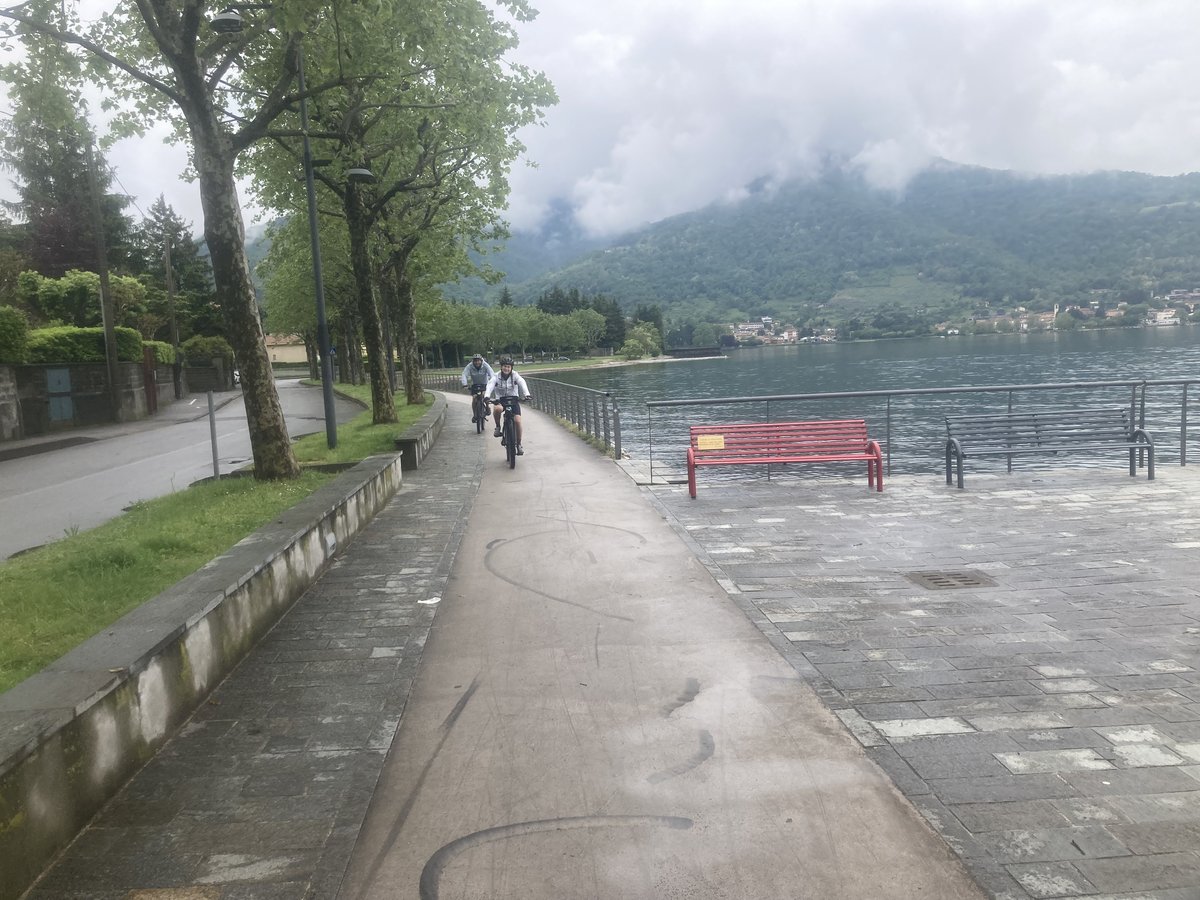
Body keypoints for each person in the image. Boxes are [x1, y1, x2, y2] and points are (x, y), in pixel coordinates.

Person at [484, 356, 532, 455]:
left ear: (511, 368)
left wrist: (527, 394)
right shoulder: (496, 376)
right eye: (505, 366)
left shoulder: (515, 375)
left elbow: (522, 382)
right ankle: (498, 427)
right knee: (497, 409)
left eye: (509, 367)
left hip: (513, 400)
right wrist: (487, 396)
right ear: (501, 367)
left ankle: (518, 444)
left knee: (518, 421)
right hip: (501, 400)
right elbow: (490, 385)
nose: (507, 368)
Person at [460, 353, 494, 423]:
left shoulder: (486, 365)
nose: (477, 362)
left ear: (481, 360)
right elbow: (464, 374)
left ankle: (487, 407)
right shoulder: (469, 366)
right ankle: (475, 415)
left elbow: (491, 373)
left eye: (478, 360)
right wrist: (464, 384)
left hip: (485, 384)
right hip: (475, 385)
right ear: (473, 361)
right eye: (475, 361)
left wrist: (493, 382)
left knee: (485, 397)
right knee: (474, 399)